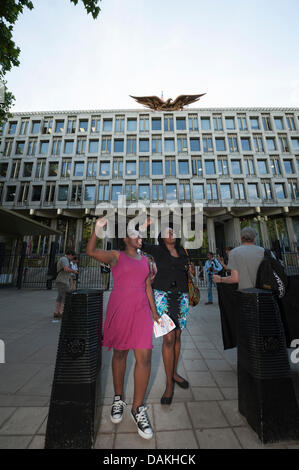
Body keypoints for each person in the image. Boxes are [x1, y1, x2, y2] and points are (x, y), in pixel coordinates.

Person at [86, 218, 161, 440]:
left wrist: (155, 313)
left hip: (141, 313)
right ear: (125, 239)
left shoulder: (146, 259)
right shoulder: (116, 256)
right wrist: (97, 229)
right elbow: (90, 251)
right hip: (120, 310)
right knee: (119, 354)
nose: (141, 239)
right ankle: (118, 398)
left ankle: (138, 408)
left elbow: (147, 285)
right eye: (137, 236)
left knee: (144, 357)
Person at [140, 222, 193, 405]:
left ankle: (174, 373)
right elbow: (136, 242)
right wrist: (143, 225)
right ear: (161, 237)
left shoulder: (183, 252)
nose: (171, 234)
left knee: (177, 337)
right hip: (162, 296)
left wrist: (190, 272)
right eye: (167, 232)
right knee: (168, 338)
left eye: (173, 231)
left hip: (182, 297)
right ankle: (169, 384)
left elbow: (187, 273)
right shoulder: (157, 250)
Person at [54, 249, 78, 319]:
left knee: (60, 297)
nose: (72, 258)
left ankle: (56, 312)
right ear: (70, 255)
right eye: (73, 256)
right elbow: (66, 269)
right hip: (63, 281)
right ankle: (62, 312)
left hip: (61, 280)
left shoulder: (64, 259)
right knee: (66, 296)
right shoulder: (65, 259)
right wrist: (74, 271)